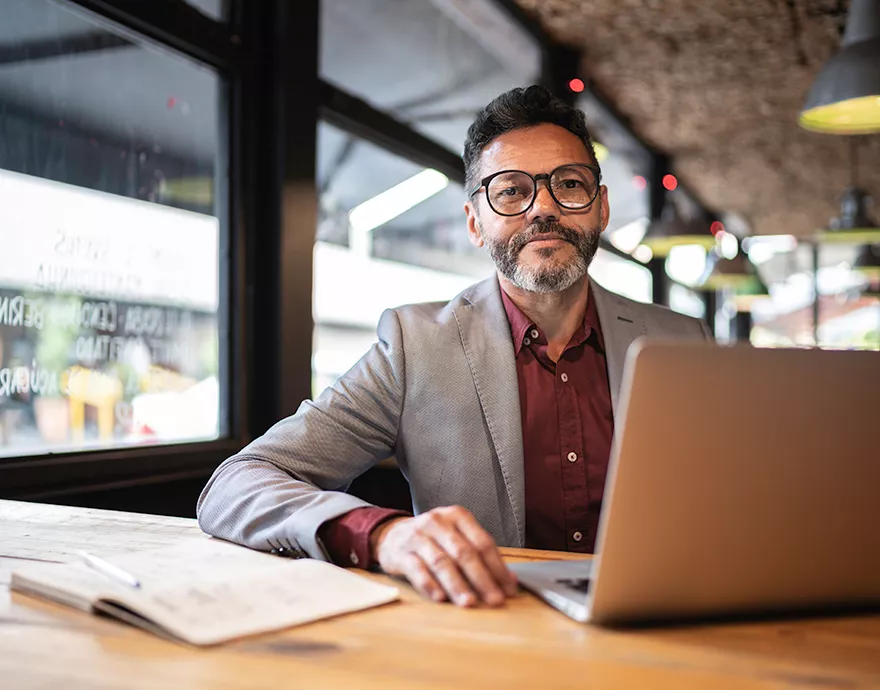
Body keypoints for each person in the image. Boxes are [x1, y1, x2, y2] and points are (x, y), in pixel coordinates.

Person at [198, 85, 712, 609]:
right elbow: (236, 484)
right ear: (474, 222)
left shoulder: (682, 342)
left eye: (569, 184)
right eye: (511, 191)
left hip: (658, 618)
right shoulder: (413, 346)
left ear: (600, 208)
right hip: (487, 628)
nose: (543, 209)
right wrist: (383, 535)